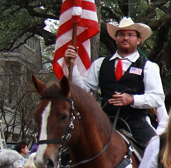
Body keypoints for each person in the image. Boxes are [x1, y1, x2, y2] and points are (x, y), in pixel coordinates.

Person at [66, 17, 164, 150]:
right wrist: (72, 66)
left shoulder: (148, 67)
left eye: (130, 35)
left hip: (136, 124)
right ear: (116, 38)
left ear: (138, 40)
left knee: (159, 151)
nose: (126, 38)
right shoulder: (100, 64)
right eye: (121, 34)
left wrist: (132, 99)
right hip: (104, 122)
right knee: (73, 148)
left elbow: (157, 98)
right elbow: (82, 89)